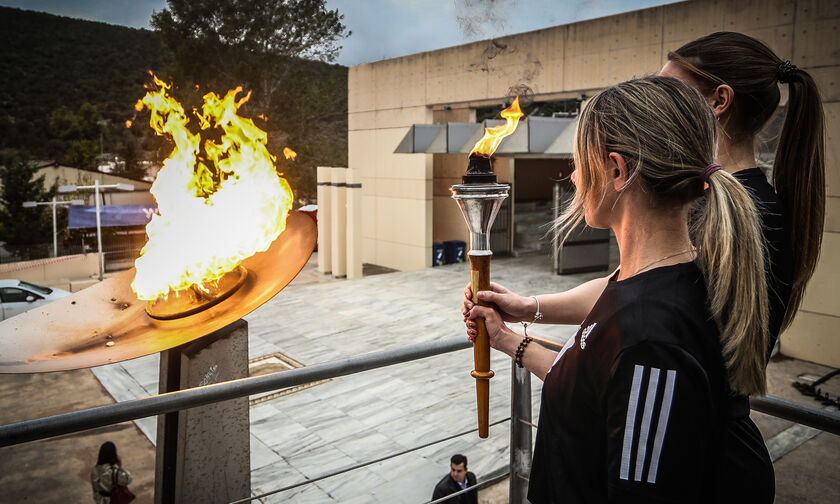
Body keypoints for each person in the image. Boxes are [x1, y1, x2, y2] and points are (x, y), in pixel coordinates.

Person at [465, 76, 774, 502]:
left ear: (616, 170)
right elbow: (593, 380)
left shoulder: (650, 339)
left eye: (578, 162)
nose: (573, 177)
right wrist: (510, 329)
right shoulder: (662, 278)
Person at [467, 31, 825, 360]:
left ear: (719, 101)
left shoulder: (738, 213)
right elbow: (624, 288)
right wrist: (526, 308)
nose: (653, 98)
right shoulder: (706, 200)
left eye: (668, 89)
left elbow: (644, 345)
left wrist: (516, 341)